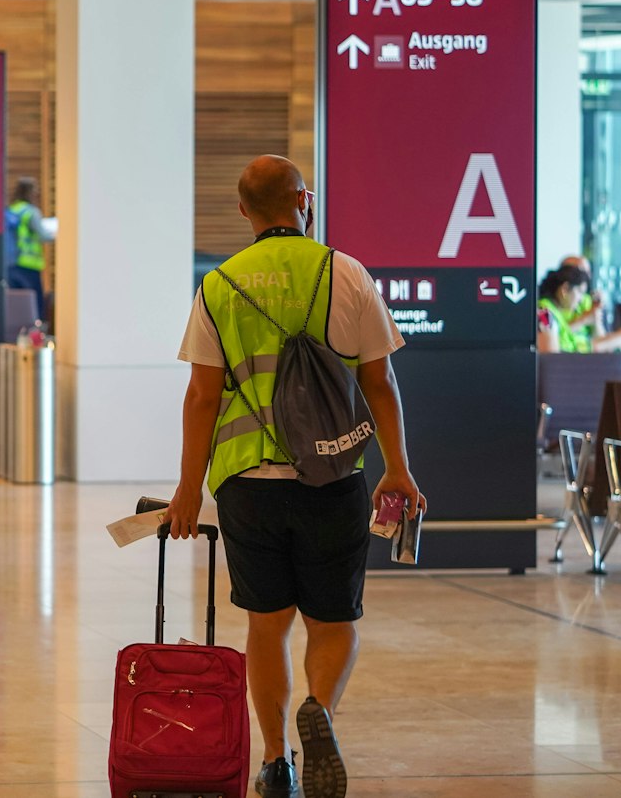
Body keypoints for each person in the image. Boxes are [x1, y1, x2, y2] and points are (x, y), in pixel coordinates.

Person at [167, 155, 425, 798]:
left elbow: (201, 396)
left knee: (266, 623)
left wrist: (187, 488)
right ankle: (322, 712)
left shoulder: (219, 285)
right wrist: (397, 468)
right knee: (333, 620)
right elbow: (380, 381)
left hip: (247, 481)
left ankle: (277, 760)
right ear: (304, 201)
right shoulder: (346, 272)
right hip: (333, 472)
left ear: (243, 211)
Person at [550, 255, 621, 354]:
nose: (587, 276)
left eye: (588, 272)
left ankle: (617, 363)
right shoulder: (549, 306)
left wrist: (595, 315)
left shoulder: (586, 300)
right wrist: (583, 320)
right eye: (581, 272)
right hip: (575, 350)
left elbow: (600, 337)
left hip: (592, 347)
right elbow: (553, 338)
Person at [3, 178, 49, 320]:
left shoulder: (11, 210)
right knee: (34, 306)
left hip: (10, 264)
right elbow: (44, 236)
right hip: (28, 265)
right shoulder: (31, 212)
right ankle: (34, 336)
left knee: (16, 305)